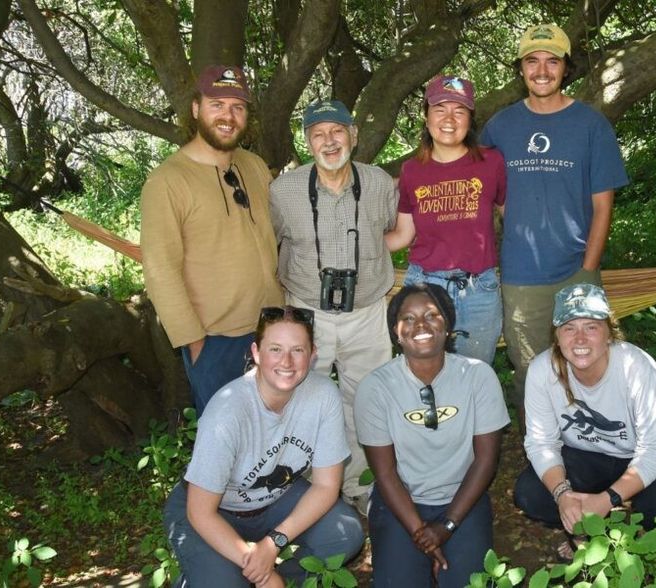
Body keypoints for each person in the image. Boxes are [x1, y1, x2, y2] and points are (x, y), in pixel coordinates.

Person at [480, 24, 629, 425]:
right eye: (532, 61)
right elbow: (478, 189)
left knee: (590, 364)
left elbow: (603, 206)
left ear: (565, 68)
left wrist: (587, 270)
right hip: (520, 275)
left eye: (552, 61)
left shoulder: (591, 126)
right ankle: (543, 455)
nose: (542, 70)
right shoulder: (499, 127)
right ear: (521, 69)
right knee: (530, 370)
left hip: (576, 270)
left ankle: (597, 445)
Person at [163, 306, 364, 587]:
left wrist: (272, 545)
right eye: (275, 349)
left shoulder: (323, 396)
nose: (287, 361)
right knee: (224, 583)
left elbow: (326, 487)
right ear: (256, 353)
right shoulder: (227, 411)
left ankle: (268, 577)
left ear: (313, 353)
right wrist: (263, 571)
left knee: (345, 533)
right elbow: (200, 511)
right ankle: (217, 576)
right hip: (212, 509)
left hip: (273, 499)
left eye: (298, 350)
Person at [269, 100, 398, 514]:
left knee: (367, 400)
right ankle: (308, 488)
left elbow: (398, 231)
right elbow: (266, 246)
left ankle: (361, 487)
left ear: (354, 135)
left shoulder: (380, 184)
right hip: (306, 310)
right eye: (318, 133)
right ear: (307, 140)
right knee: (303, 398)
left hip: (367, 309)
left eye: (337, 131)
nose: (329, 141)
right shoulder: (284, 191)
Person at [141, 64, 284, 413]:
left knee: (279, 436)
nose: (228, 116)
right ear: (195, 109)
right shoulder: (168, 181)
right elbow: (160, 269)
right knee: (231, 446)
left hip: (272, 329)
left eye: (237, 107)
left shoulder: (254, 166)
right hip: (216, 341)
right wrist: (193, 341)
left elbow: (278, 237)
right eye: (216, 104)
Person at [514, 284, 656, 558]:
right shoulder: (542, 370)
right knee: (531, 493)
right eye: (569, 328)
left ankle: (628, 529)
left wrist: (608, 499)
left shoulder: (636, 367)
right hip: (586, 457)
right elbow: (541, 443)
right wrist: (563, 495)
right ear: (557, 336)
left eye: (591, 327)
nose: (579, 339)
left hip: (641, 457)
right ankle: (589, 526)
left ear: (609, 331)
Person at [355, 284, 510, 587]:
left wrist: (447, 526)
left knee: (469, 583)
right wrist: (422, 533)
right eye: (408, 319)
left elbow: (486, 460)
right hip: (400, 500)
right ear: (396, 333)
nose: (421, 325)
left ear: (448, 326)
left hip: (463, 498)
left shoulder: (478, 376)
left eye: (431, 315)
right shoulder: (375, 388)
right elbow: (385, 473)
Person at [386, 75, 506, 365]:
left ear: (470, 119)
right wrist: (353, 246)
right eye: (440, 109)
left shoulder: (492, 163)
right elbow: (402, 235)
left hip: (480, 291)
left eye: (459, 111)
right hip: (425, 289)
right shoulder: (412, 171)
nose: (449, 119)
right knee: (425, 375)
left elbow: (513, 222)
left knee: (476, 377)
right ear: (426, 117)